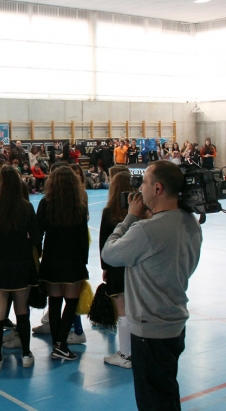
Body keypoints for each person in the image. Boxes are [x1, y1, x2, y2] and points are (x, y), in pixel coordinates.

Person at [101, 160, 202, 411]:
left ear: (157, 188)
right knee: (166, 392)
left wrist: (130, 218)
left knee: (151, 402)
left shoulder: (146, 230)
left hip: (149, 330)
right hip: (174, 323)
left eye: (144, 182)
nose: (139, 188)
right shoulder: (190, 222)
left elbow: (109, 253)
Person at [0, 167, 41, 371]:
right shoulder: (26, 207)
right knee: (22, 310)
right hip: (22, 263)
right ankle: (26, 354)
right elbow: (36, 238)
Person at [37, 166, 89, 361]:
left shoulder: (45, 204)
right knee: (71, 303)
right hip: (73, 260)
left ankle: (56, 344)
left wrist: (38, 256)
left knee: (55, 302)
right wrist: (83, 261)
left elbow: (38, 233)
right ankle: (61, 344)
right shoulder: (79, 206)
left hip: (51, 259)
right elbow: (83, 237)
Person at [98, 172, 137, 369]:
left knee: (122, 311)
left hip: (115, 265)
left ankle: (125, 353)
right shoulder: (141, 213)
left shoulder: (109, 212)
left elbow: (103, 242)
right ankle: (135, 351)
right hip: (135, 266)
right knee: (135, 309)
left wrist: (105, 267)